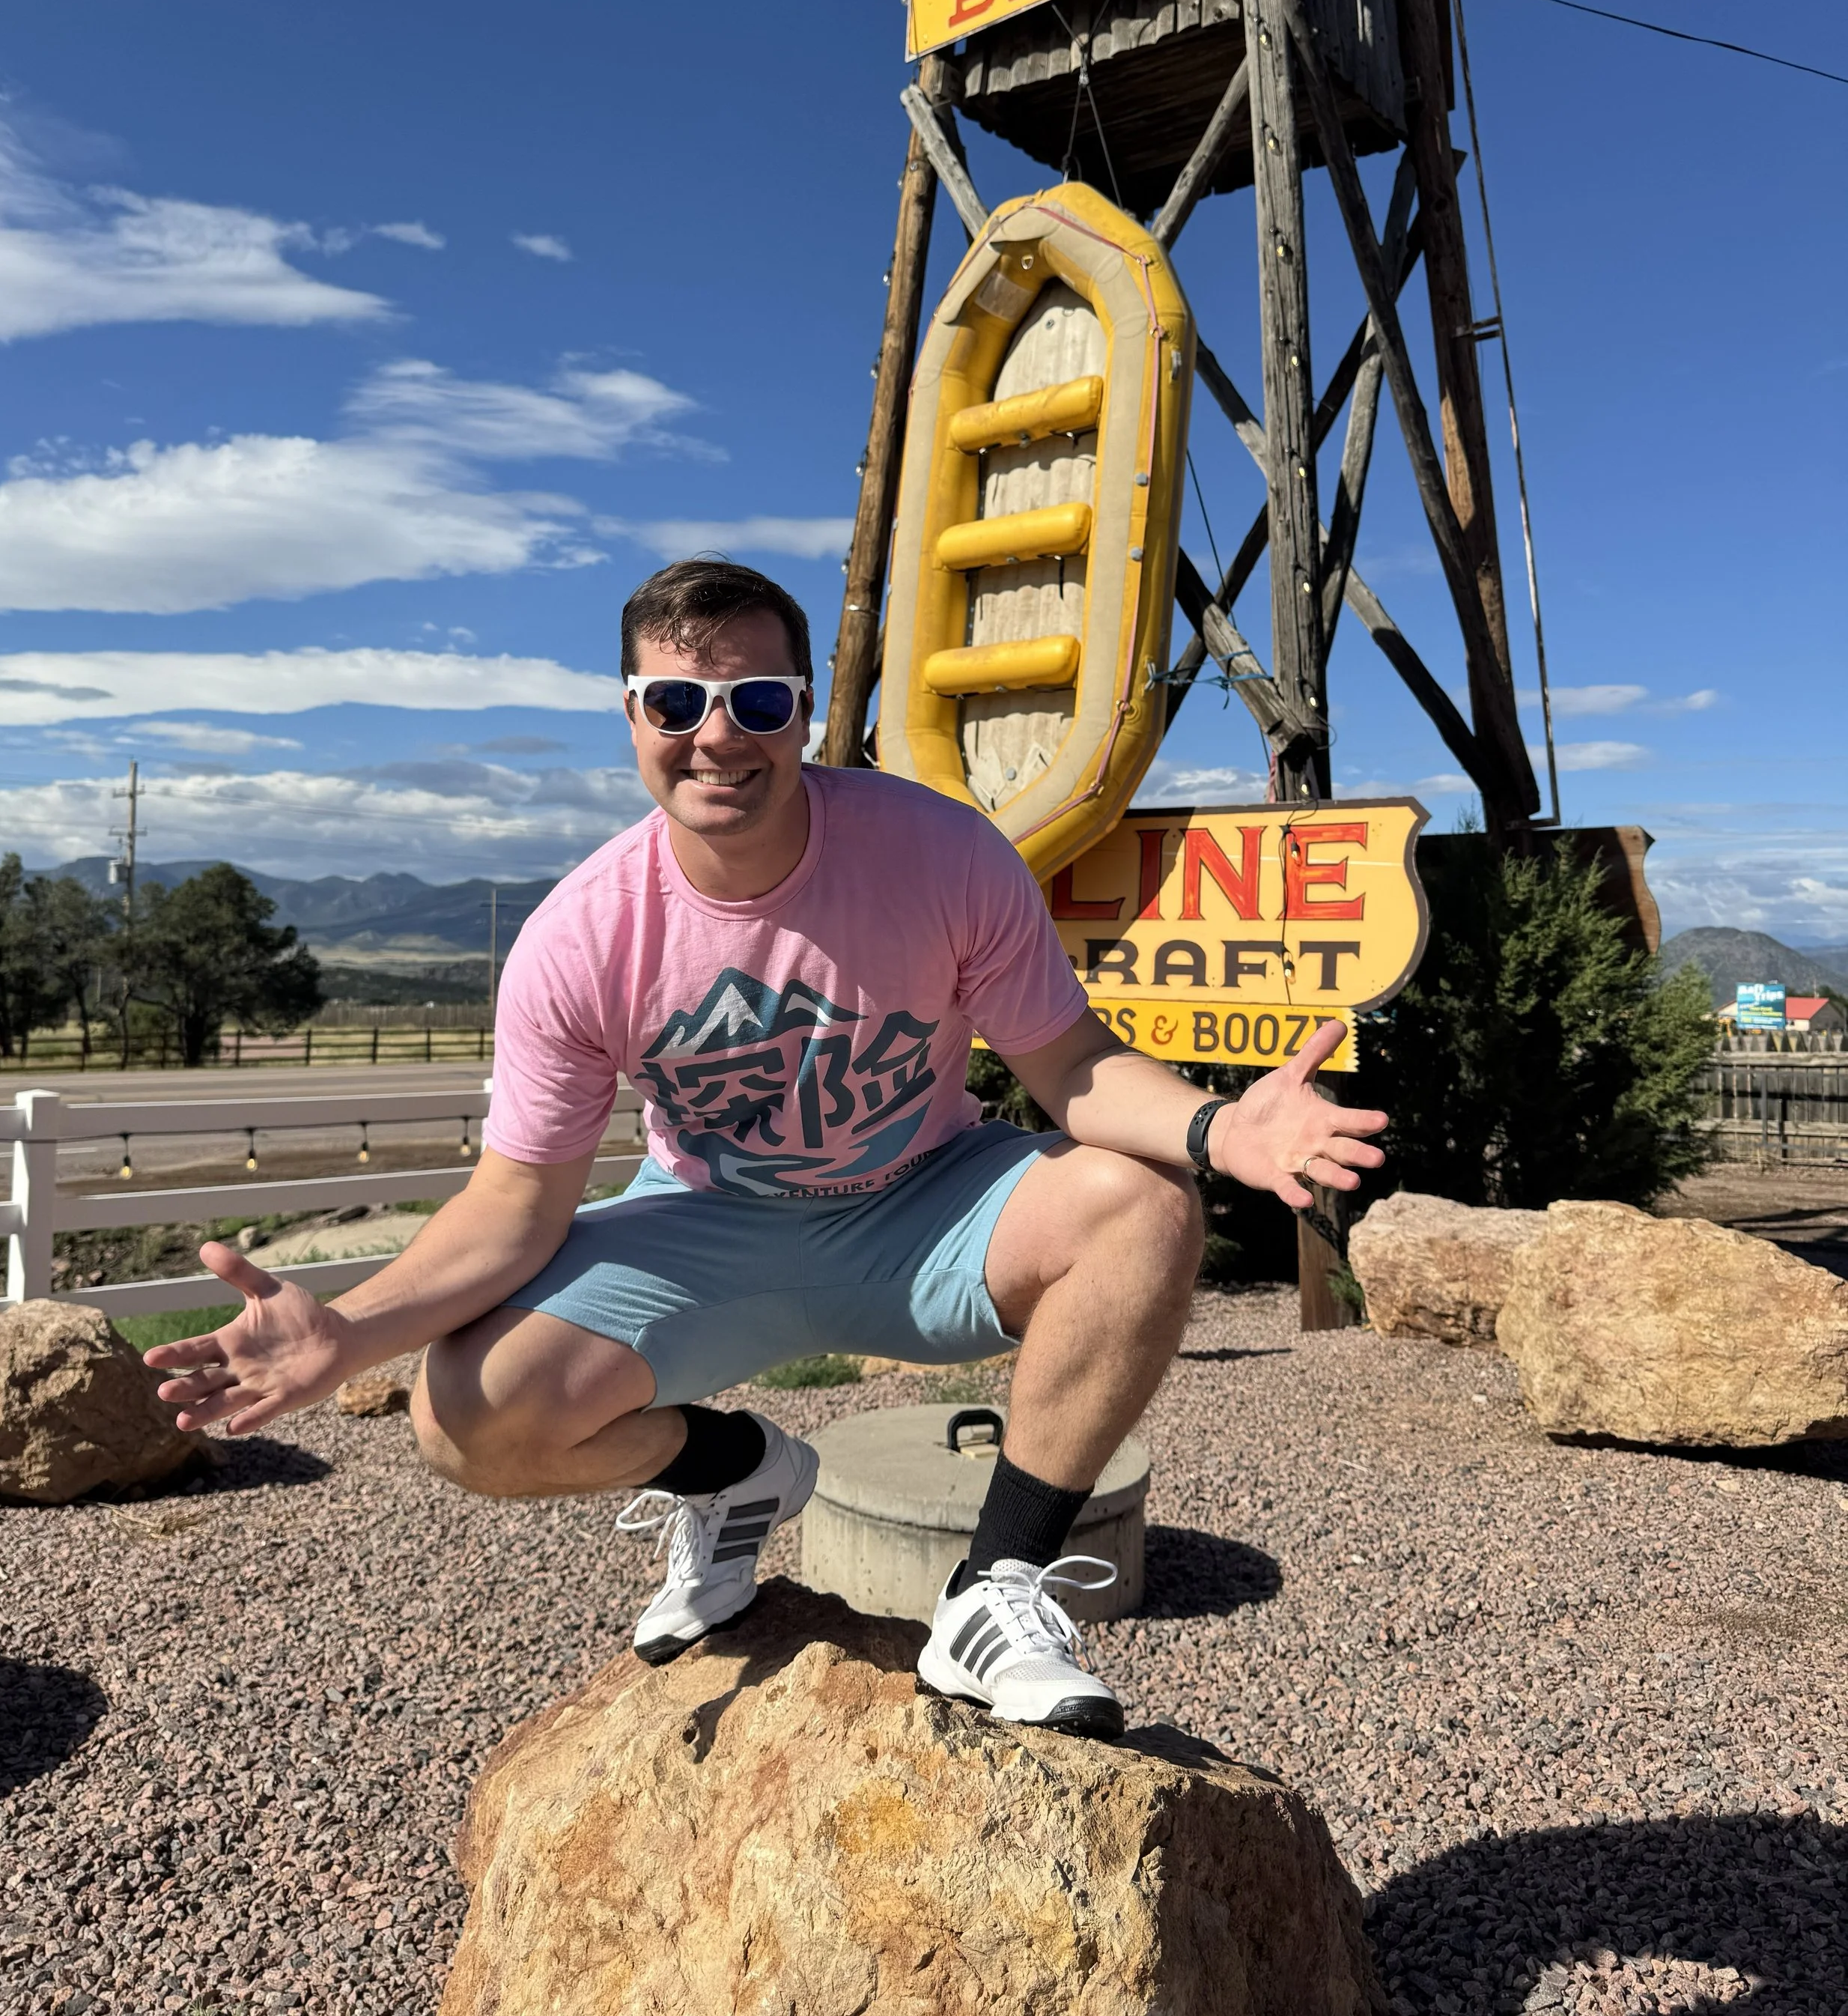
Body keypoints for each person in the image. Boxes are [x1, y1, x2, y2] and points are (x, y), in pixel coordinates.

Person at [147, 559, 1385, 1740]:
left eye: (757, 699)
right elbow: (517, 1208)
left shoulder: (944, 855)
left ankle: (994, 1591)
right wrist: (351, 1331)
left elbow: (1069, 1067)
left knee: (1143, 1203)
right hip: (709, 1229)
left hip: (924, 1206)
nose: (717, 735)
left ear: (805, 711)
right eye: (678, 701)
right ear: (631, 715)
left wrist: (1218, 1127)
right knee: (465, 1420)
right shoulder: (581, 938)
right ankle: (736, 1473)